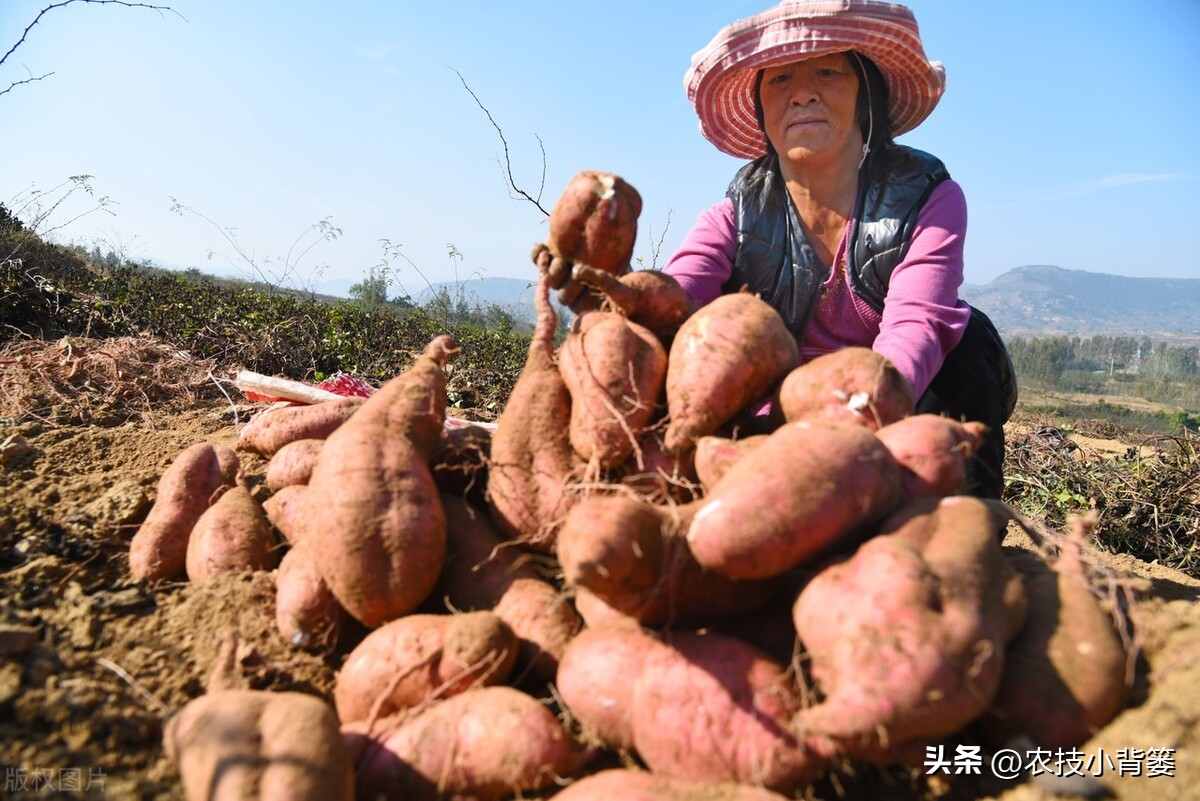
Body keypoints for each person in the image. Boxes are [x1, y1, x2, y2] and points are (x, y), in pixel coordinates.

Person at [657, 0, 1017, 499]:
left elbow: (916, 326)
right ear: (761, 109)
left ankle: (971, 512)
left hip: (887, 415)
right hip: (764, 425)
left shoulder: (926, 198)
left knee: (967, 333)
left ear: (865, 94)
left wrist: (858, 419)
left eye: (828, 72)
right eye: (779, 80)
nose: (803, 93)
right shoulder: (736, 217)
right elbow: (674, 300)